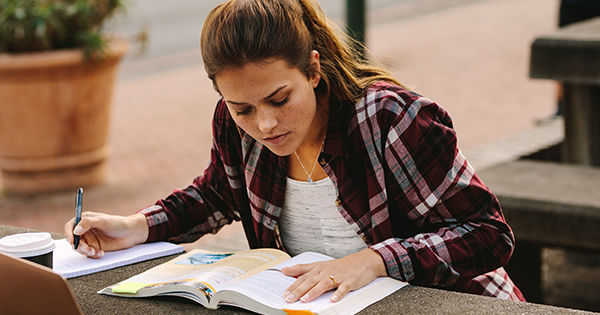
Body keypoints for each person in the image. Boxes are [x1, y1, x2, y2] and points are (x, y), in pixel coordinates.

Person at [64, 0, 525, 303]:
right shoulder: (234, 125)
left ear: (313, 69)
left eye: (280, 99)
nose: (264, 124)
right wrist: (134, 226)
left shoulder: (391, 119)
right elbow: (216, 195)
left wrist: (376, 259)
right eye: (242, 107)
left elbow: (488, 234)